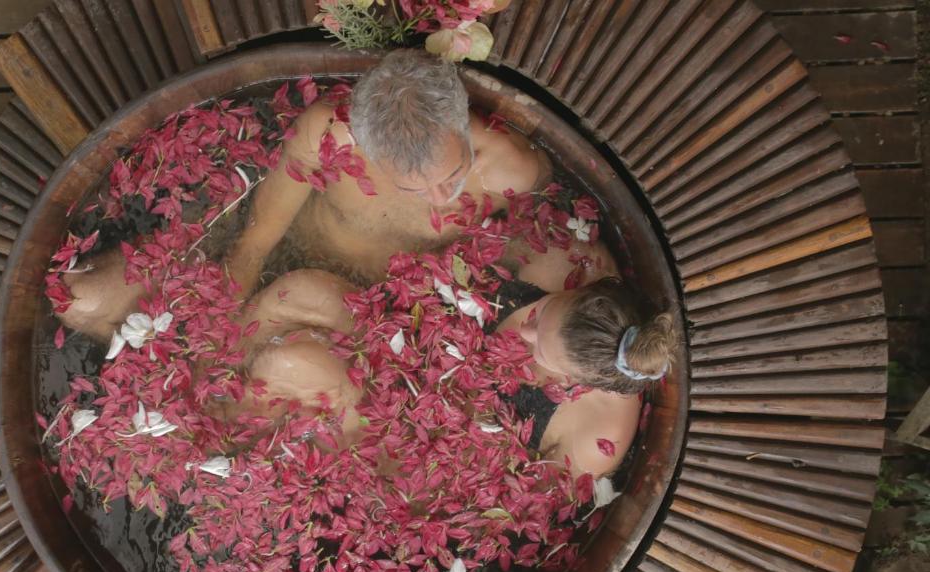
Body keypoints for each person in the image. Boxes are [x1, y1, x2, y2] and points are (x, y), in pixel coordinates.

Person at [58, 49, 551, 340]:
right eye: (414, 187)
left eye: (454, 173)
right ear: (368, 149)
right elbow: (256, 239)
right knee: (77, 302)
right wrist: (220, 332)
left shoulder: (514, 170)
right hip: (276, 250)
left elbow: (528, 248)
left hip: (375, 305)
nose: (442, 198)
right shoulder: (329, 136)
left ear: (461, 121)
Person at [208, 239, 676, 479]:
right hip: (403, 345)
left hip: (423, 442)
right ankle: (216, 378)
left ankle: (254, 445)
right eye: (539, 311)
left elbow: (495, 508)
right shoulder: (562, 259)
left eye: (538, 348)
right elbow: (454, 255)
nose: (523, 329)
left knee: (287, 369)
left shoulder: (595, 440)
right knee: (301, 291)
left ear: (582, 382)